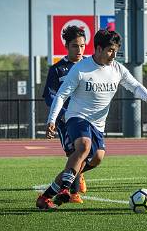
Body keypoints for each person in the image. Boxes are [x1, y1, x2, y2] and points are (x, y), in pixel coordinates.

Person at [36, 29, 147, 210]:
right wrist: (52, 120)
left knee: (97, 158)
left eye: (116, 50)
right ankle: (66, 189)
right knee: (84, 147)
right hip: (76, 117)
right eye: (110, 50)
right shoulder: (81, 68)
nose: (113, 54)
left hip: (98, 123)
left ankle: (46, 197)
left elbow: (134, 85)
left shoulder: (117, 69)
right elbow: (61, 95)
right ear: (99, 48)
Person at [42, 25, 88, 204]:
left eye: (82, 46)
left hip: (86, 119)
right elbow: (50, 96)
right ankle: (74, 191)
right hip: (65, 121)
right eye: (75, 46)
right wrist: (59, 115)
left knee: (88, 154)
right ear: (67, 46)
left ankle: (79, 174)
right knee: (73, 153)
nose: (79, 50)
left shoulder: (89, 65)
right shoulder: (57, 69)